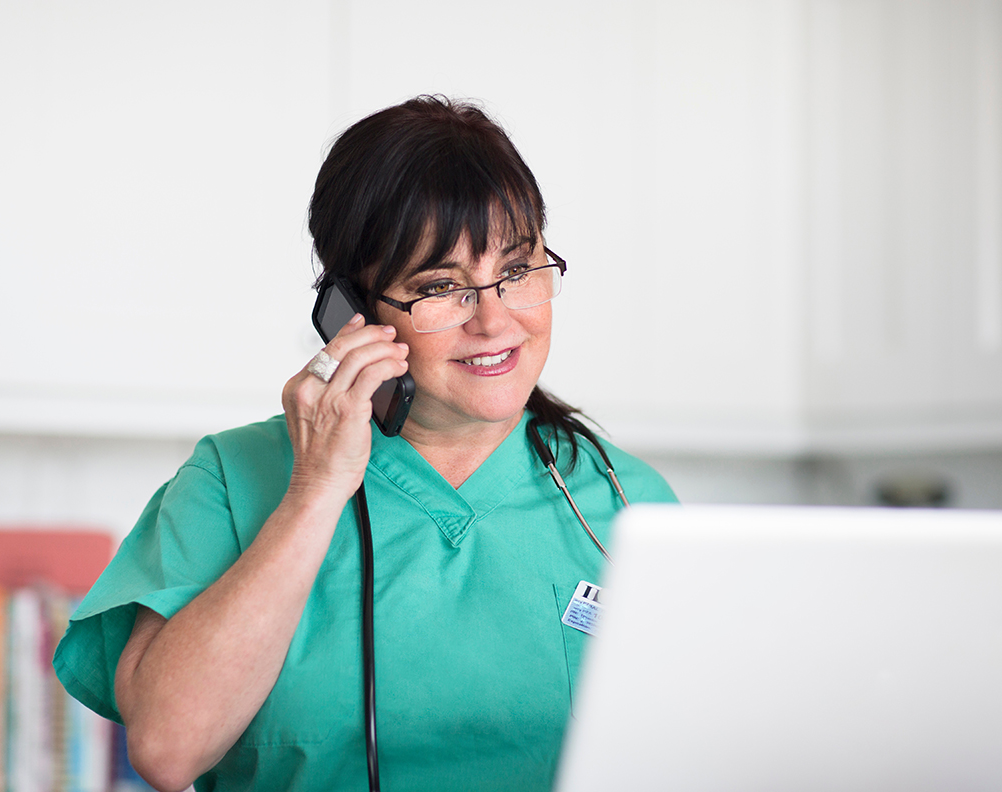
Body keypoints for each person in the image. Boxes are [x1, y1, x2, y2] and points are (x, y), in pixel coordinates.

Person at [54, 95, 677, 792]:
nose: (496, 320)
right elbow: (169, 750)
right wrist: (316, 490)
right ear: (353, 313)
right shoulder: (231, 481)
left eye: (516, 269)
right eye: (441, 286)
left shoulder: (628, 503)